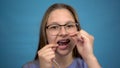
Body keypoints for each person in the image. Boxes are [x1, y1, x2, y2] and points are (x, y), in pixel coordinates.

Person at [23, 3, 101, 68]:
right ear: (45, 33)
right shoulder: (29, 67)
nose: (63, 33)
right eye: (54, 27)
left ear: (78, 30)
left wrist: (90, 57)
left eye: (69, 26)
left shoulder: (88, 65)